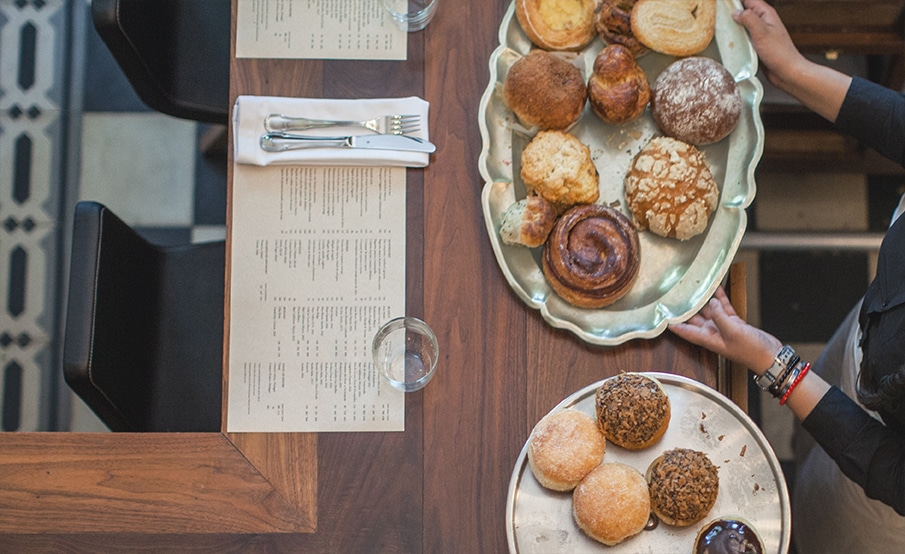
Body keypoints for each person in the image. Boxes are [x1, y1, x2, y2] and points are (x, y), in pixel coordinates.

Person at [669, 0, 905, 552]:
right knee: (813, 416)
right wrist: (793, 68)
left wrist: (771, 361)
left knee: (817, 512)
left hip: (878, 485)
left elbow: (883, 463)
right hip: (879, 344)